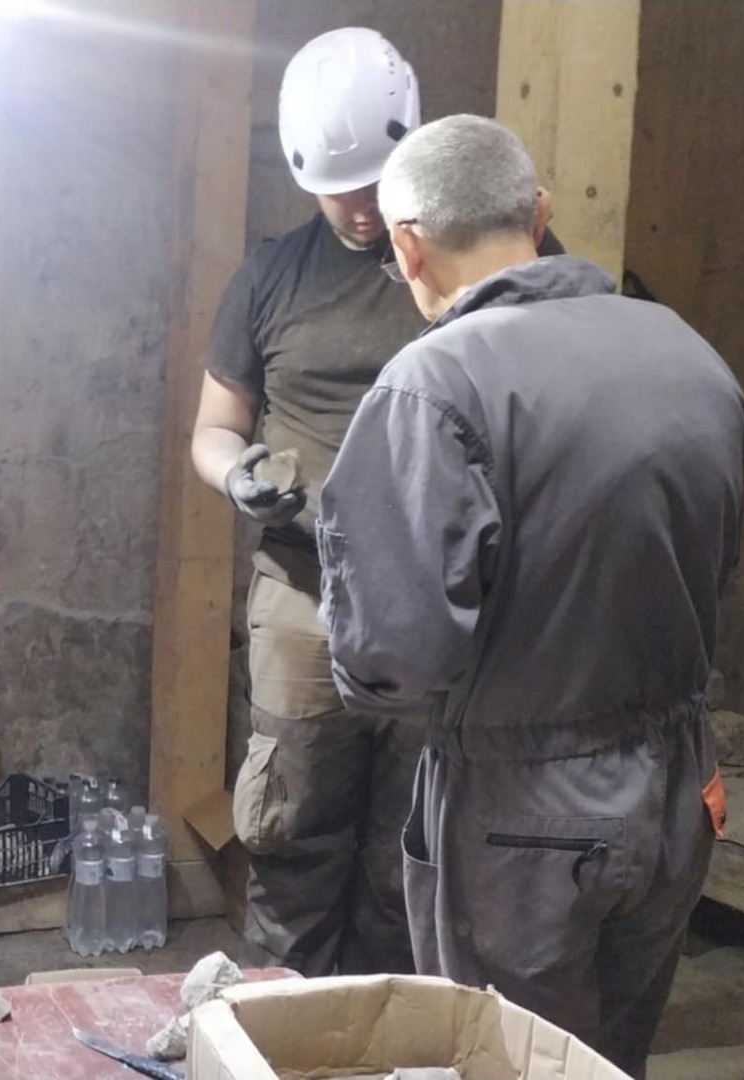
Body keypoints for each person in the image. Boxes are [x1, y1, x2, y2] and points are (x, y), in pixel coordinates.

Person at [317, 114, 744, 1078]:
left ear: (407, 245)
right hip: (679, 788)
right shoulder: (689, 354)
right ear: (540, 213)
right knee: (609, 1062)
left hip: (520, 813)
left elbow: (391, 657)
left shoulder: (434, 383)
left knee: (505, 1063)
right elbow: (718, 563)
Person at [191, 26, 561, 976]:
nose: (359, 209)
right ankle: (280, 1023)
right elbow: (213, 429)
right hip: (305, 597)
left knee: (414, 845)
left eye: (374, 183)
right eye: (336, 189)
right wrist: (237, 474)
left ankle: (385, 1029)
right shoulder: (272, 276)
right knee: (291, 834)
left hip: (442, 608)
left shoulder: (486, 254)